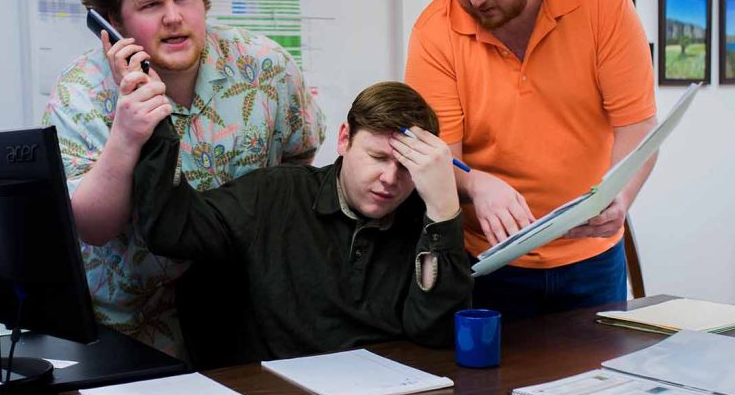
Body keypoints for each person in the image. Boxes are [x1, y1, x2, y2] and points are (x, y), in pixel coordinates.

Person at [42, 0, 325, 357]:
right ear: (112, 25)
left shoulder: (264, 65)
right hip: (128, 328)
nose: (173, 17)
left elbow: (298, 160)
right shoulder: (80, 92)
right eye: (151, 5)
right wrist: (127, 135)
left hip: (247, 314)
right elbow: (92, 226)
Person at [404, 0, 657, 321]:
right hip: (488, 259)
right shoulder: (434, 32)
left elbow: (638, 128)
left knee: (600, 382)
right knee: (489, 388)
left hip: (592, 256)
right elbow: (435, 160)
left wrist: (621, 198)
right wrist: (476, 183)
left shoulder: (602, 1)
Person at [120, 80, 472, 361]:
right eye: (378, 157)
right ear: (344, 139)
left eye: (407, 167)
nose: (390, 179)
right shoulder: (275, 194)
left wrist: (442, 214)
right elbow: (170, 230)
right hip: (280, 392)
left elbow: (435, 333)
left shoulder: (420, 218)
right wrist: (155, 132)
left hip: (388, 392)